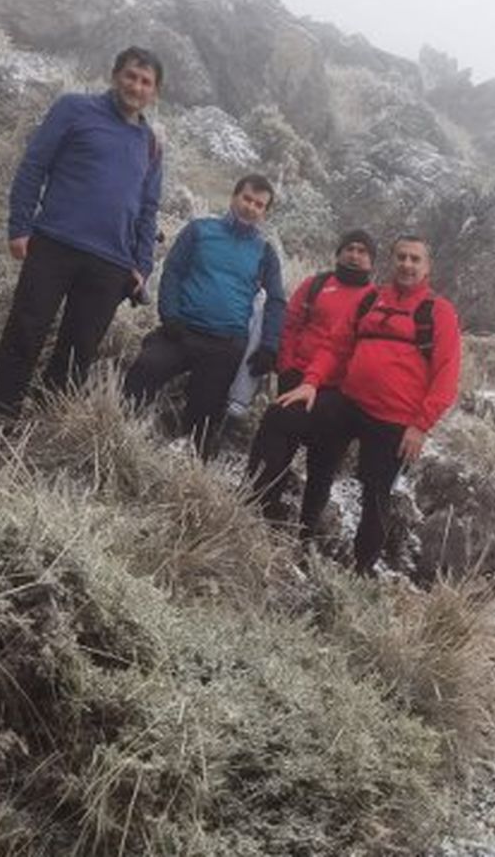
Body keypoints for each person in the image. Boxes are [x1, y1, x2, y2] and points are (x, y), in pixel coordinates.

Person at [0, 46, 164, 427]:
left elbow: (148, 207)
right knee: (25, 332)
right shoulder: (74, 109)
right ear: (115, 75)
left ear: (154, 92)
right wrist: (20, 225)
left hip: (111, 263)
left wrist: (142, 265)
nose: (136, 87)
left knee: (78, 352)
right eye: (131, 76)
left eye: (146, 82)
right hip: (54, 243)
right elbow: (34, 165)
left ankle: (46, 429)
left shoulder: (152, 144)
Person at [277, 235, 461, 574]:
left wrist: (420, 426)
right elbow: (336, 347)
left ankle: (361, 572)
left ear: (427, 267)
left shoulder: (439, 312)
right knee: (311, 455)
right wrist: (311, 382)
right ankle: (301, 540)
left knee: (375, 496)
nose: (407, 264)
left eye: (415, 259)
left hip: (395, 421)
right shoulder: (370, 299)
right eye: (401, 257)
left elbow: (446, 375)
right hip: (349, 403)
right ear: (391, 261)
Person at [122, 175, 286, 460]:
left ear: (264, 212)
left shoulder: (265, 252)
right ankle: (119, 436)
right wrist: (170, 315)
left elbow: (276, 300)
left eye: (259, 205)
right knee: (145, 369)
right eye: (247, 199)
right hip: (181, 331)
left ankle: (188, 462)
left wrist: (269, 347)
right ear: (234, 197)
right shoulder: (199, 230)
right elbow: (173, 272)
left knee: (204, 417)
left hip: (226, 343)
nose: (250, 207)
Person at [245, 230, 378, 522]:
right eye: (350, 248)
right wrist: (287, 367)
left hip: (337, 393)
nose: (355, 255)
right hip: (297, 377)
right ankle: (261, 507)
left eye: (362, 251)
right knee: (280, 439)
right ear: (339, 253)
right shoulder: (316, 285)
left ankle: (308, 530)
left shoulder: (374, 300)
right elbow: (291, 324)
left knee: (324, 459)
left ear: (372, 261)